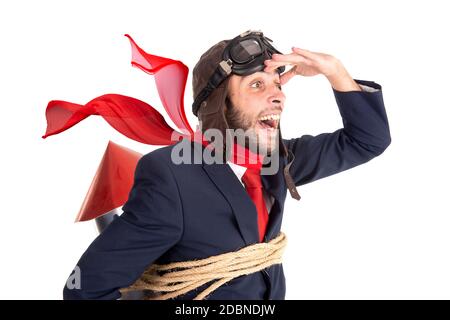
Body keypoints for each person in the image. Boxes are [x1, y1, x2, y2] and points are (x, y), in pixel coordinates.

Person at [63, 30, 391, 300]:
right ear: (219, 105)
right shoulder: (171, 176)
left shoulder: (278, 163)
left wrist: (335, 71)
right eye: (256, 85)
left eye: (277, 84)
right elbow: (85, 291)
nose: (279, 95)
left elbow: (367, 140)